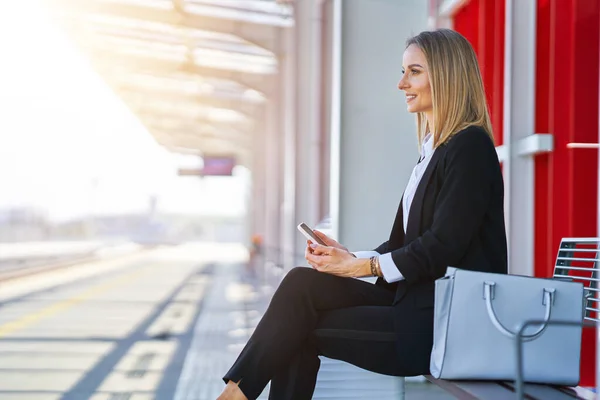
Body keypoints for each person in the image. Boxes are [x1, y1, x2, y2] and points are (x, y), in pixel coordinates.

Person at [217, 28, 507, 400]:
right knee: (301, 285)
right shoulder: (433, 152)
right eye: (404, 72)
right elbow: (404, 244)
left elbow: (442, 247)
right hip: (414, 304)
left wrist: (363, 269)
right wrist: (350, 258)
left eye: (414, 72)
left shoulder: (470, 147)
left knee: (294, 331)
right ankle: (233, 396)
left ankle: (231, 397)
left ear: (446, 76)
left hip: (442, 325)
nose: (401, 83)